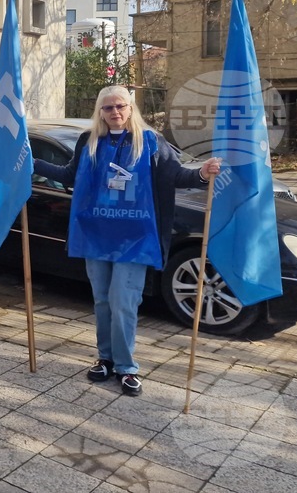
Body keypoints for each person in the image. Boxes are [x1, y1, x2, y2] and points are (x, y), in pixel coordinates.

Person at [33, 86, 221, 397]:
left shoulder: (150, 142)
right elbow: (69, 175)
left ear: (131, 109)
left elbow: (175, 176)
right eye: (108, 108)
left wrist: (201, 173)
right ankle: (105, 358)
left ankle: (126, 367)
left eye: (120, 106)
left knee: (124, 302)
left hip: (135, 238)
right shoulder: (88, 141)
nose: (115, 112)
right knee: (103, 301)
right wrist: (33, 164)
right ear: (100, 112)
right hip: (96, 234)